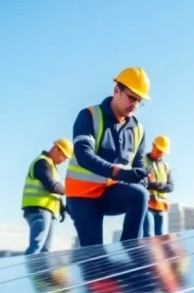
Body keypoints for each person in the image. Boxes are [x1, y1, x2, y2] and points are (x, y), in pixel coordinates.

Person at [64, 66, 151, 247]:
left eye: (139, 100)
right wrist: (119, 173)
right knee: (94, 257)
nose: (135, 104)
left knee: (140, 194)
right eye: (131, 97)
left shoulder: (138, 130)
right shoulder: (89, 116)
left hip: (109, 194)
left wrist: (141, 178)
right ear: (116, 91)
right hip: (82, 197)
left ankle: (131, 253)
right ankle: (100, 269)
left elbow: (138, 164)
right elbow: (83, 155)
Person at [21, 139, 72, 255]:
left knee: (46, 251)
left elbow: (53, 192)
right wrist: (71, 191)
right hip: (39, 209)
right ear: (56, 149)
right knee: (36, 246)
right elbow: (51, 185)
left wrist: (61, 209)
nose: (63, 160)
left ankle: (40, 274)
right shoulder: (42, 163)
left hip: (49, 211)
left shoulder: (51, 166)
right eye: (63, 156)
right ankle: (28, 272)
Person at [143, 135, 174, 237]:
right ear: (153, 146)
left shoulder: (166, 167)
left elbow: (171, 187)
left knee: (162, 239)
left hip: (161, 208)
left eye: (162, 151)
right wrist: (154, 184)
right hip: (148, 205)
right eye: (159, 150)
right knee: (148, 237)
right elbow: (140, 182)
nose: (160, 154)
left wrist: (159, 186)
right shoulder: (142, 162)